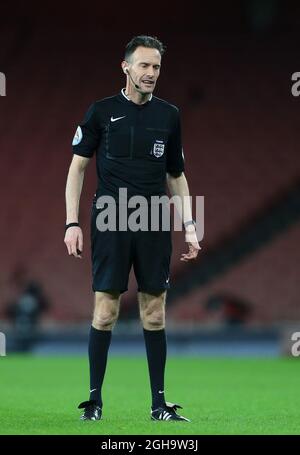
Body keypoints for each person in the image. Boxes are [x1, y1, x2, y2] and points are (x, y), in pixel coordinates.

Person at [64, 35, 200, 422]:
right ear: (125, 67)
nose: (151, 73)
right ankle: (94, 402)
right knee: (105, 310)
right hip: (110, 216)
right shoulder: (101, 112)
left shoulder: (169, 115)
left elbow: (177, 174)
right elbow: (77, 168)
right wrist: (72, 222)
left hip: (155, 218)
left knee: (154, 312)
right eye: (144, 65)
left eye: (156, 67)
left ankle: (159, 405)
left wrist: (190, 226)